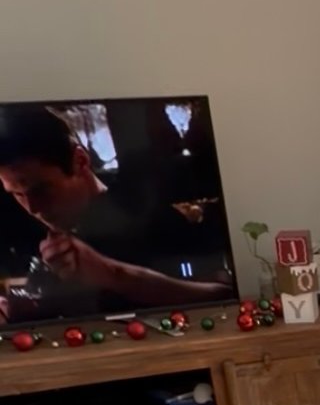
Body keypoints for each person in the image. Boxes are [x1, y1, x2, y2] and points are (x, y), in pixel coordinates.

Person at [0, 104, 232, 322]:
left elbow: (222, 296)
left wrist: (113, 274)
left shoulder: (148, 213)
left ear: (80, 161)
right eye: (17, 194)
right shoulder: (38, 235)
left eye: (42, 190)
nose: (33, 208)